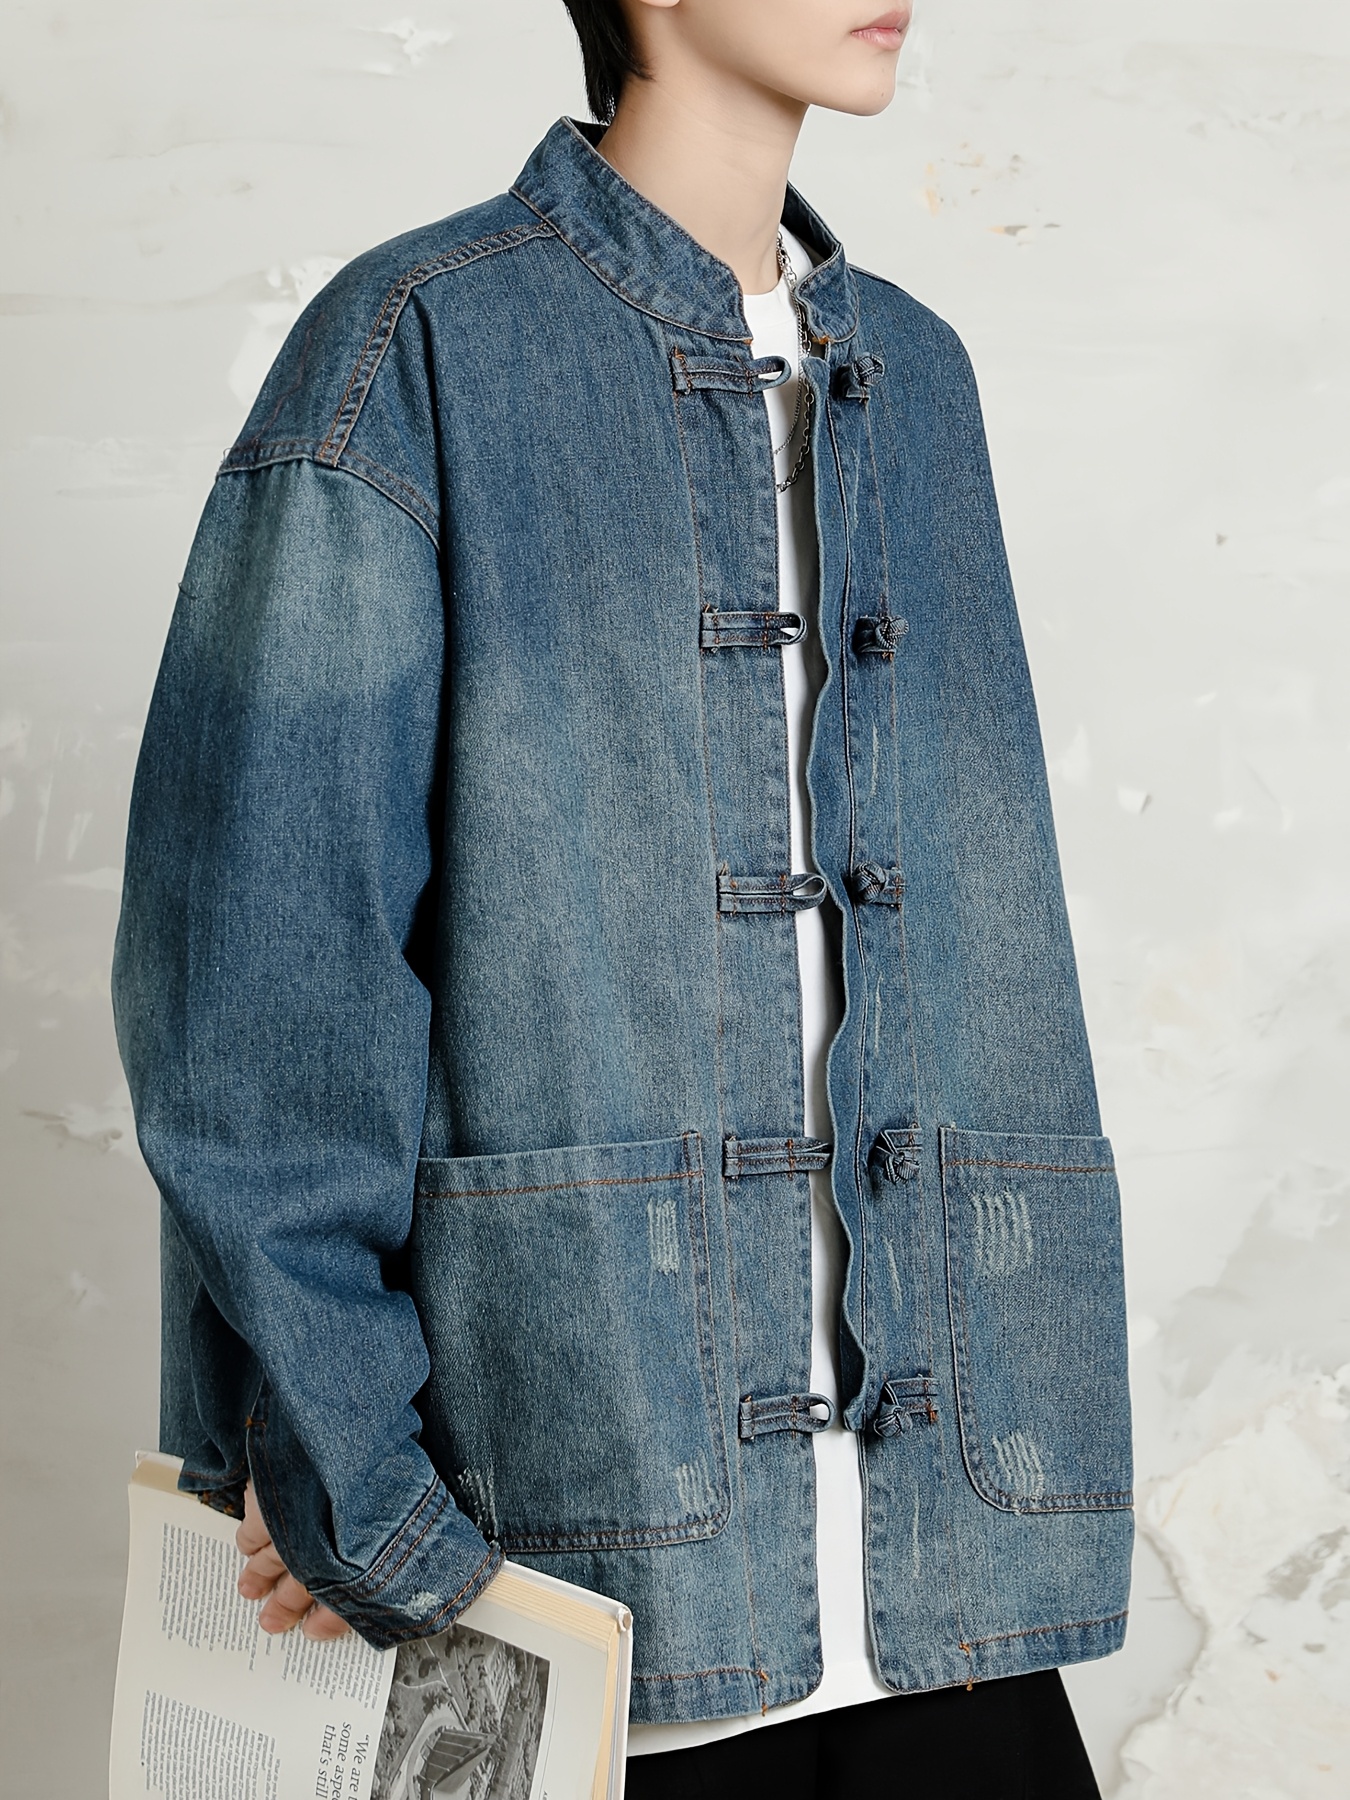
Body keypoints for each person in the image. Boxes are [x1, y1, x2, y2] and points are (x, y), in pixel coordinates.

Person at [111, 2, 1133, 1794]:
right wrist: (347, 1465)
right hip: (582, 1595)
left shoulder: (915, 372)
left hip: (954, 1600)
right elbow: (256, 975)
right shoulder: (415, 343)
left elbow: (965, 951)